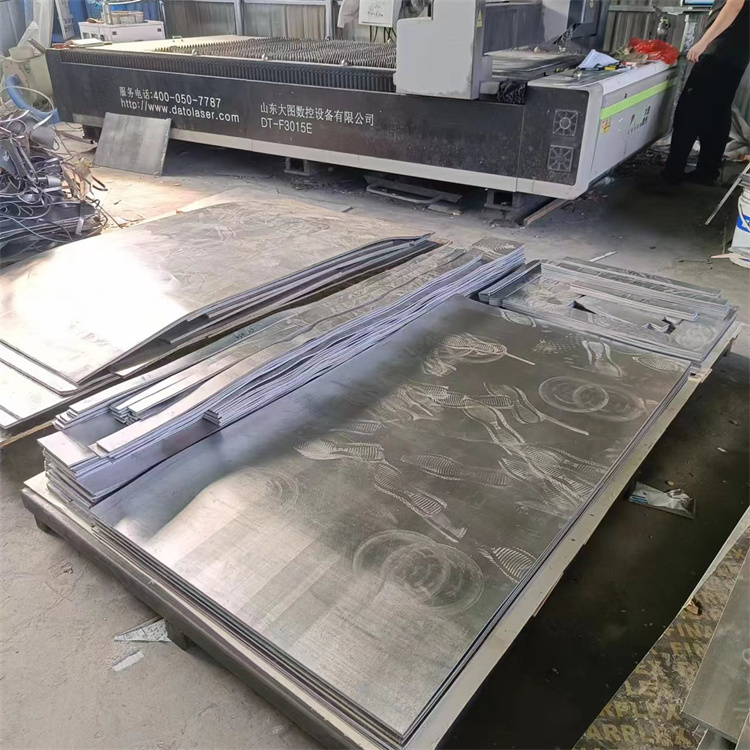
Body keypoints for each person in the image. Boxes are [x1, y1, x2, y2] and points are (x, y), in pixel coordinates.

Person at [663, 0, 749, 184]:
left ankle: (673, 172)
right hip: (736, 52)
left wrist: (704, 42)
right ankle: (707, 172)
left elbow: (734, 6)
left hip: (720, 49)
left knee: (689, 111)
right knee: (717, 112)